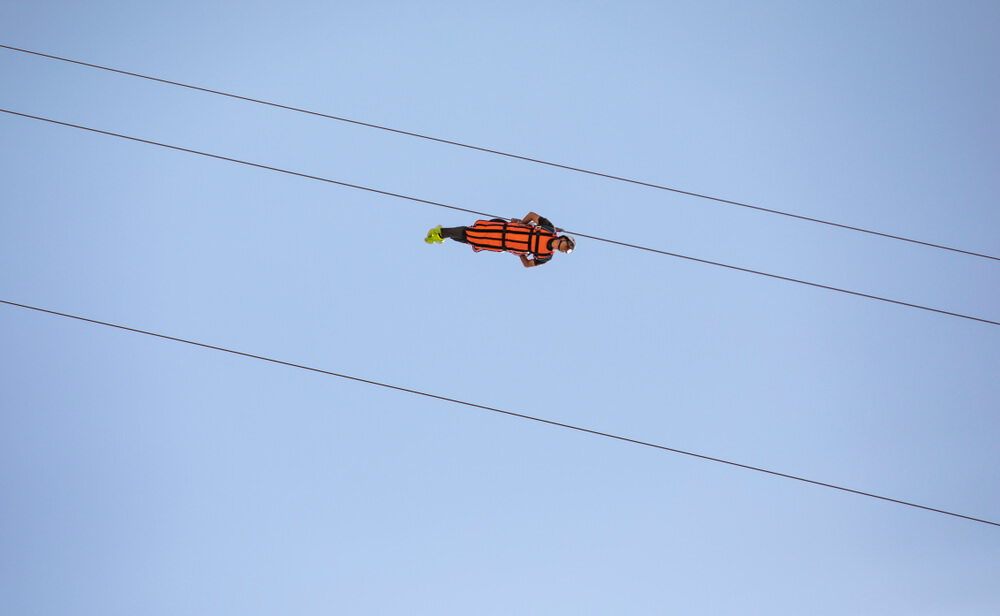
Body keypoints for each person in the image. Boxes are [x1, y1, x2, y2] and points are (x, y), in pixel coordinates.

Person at [425, 212, 575, 268]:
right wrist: (522, 224)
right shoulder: (549, 229)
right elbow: (532, 215)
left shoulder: (546, 256)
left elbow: (528, 264)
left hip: (502, 244)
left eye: (567, 251)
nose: (565, 249)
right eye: (567, 245)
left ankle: (443, 234)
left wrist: (519, 252)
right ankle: (441, 233)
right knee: (473, 232)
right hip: (504, 230)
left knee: (473, 240)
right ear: (563, 239)